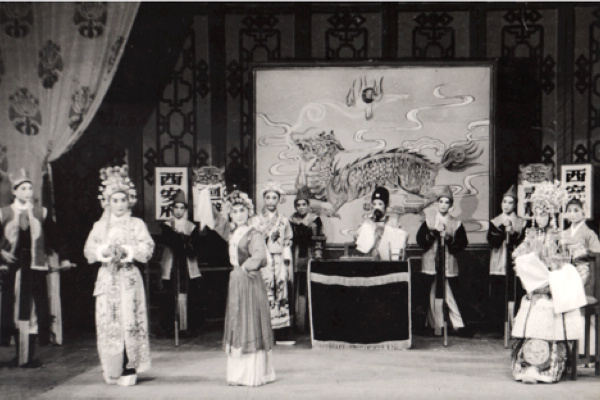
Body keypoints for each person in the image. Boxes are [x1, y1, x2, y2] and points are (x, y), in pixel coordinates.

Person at [84, 165, 154, 386]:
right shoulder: (99, 226)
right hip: (108, 278)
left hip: (128, 278)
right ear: (107, 202)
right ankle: (112, 368)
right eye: (115, 200)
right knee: (109, 323)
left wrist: (126, 251)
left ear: (129, 200)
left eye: (123, 200)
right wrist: (104, 252)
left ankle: (129, 368)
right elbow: (88, 251)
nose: (120, 204)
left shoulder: (136, 224)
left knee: (130, 322)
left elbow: (147, 249)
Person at [511, 187, 588, 384]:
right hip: (537, 291)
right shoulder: (530, 237)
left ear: (552, 214)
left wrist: (563, 284)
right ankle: (527, 365)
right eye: (537, 213)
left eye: (544, 213)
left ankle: (547, 367)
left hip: (557, 292)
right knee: (532, 308)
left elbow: (581, 266)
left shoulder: (562, 237)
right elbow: (517, 259)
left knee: (545, 310)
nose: (540, 217)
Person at [0, 168, 72, 367]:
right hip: (10, 269)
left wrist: (65, 258)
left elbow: (57, 237)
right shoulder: (4, 213)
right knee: (12, 309)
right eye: (23, 188)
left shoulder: (41, 213)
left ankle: (27, 356)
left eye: (30, 188)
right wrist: (1, 253)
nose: (28, 192)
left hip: (34, 268)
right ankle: (18, 354)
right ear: (14, 191)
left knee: (32, 310)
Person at [223, 189, 275, 386]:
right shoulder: (233, 233)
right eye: (234, 211)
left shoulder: (254, 233)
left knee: (248, 321)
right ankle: (237, 374)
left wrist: (244, 269)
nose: (238, 215)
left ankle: (251, 374)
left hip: (249, 280)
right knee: (237, 320)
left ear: (248, 212)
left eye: (242, 210)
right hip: (237, 280)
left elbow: (260, 255)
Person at [416, 186, 469, 336]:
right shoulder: (429, 221)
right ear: (437, 203)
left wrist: (448, 238)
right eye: (441, 202)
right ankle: (435, 324)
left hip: (447, 263)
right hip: (431, 263)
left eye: (447, 202)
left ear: (451, 205)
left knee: (448, 294)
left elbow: (462, 244)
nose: (443, 205)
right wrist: (433, 233)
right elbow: (421, 241)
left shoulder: (456, 223)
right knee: (432, 294)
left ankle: (457, 324)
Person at [251, 180, 294, 343]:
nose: (270, 201)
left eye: (274, 198)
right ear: (264, 199)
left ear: (278, 200)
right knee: (265, 290)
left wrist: (286, 261)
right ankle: (263, 331)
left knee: (281, 290)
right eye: (268, 197)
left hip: (279, 258)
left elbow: (287, 240)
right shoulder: (255, 220)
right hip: (263, 260)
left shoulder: (284, 220)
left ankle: (281, 331)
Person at [560, 197, 600, 359]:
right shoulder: (563, 234)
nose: (572, 214)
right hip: (566, 271)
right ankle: (567, 351)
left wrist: (582, 254)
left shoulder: (589, 233)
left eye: (576, 210)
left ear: (584, 212)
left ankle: (588, 352)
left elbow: (596, 256)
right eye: (569, 211)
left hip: (586, 274)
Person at [159, 189, 201, 337]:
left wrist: (184, 243)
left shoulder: (191, 226)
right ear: (172, 208)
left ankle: (188, 327)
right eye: (176, 207)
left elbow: (195, 248)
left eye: (181, 208)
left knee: (189, 294)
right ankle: (171, 328)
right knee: (171, 295)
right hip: (171, 266)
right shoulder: (166, 226)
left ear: (185, 209)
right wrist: (182, 241)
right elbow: (171, 243)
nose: (178, 211)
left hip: (187, 266)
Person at [486, 185, 526, 329]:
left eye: (510, 202)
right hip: (499, 262)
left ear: (515, 205)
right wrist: (503, 230)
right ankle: (501, 327)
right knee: (499, 294)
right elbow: (492, 242)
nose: (506, 205)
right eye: (504, 202)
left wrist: (512, 233)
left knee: (515, 293)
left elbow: (523, 242)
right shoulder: (495, 222)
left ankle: (516, 324)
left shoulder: (522, 222)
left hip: (515, 262)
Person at [289, 192, 322, 330]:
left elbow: (317, 239)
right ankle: (297, 323)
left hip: (310, 255)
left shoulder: (315, 220)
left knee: (309, 286)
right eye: (298, 205)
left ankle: (309, 324)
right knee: (296, 287)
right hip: (295, 256)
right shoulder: (291, 220)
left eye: (304, 204)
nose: (301, 207)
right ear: (295, 206)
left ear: (308, 205)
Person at [355, 186, 408, 260]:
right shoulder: (367, 223)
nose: (377, 207)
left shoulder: (393, 222)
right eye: (374, 204)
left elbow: (401, 243)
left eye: (380, 204)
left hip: (387, 261)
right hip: (369, 260)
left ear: (386, 205)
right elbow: (359, 243)